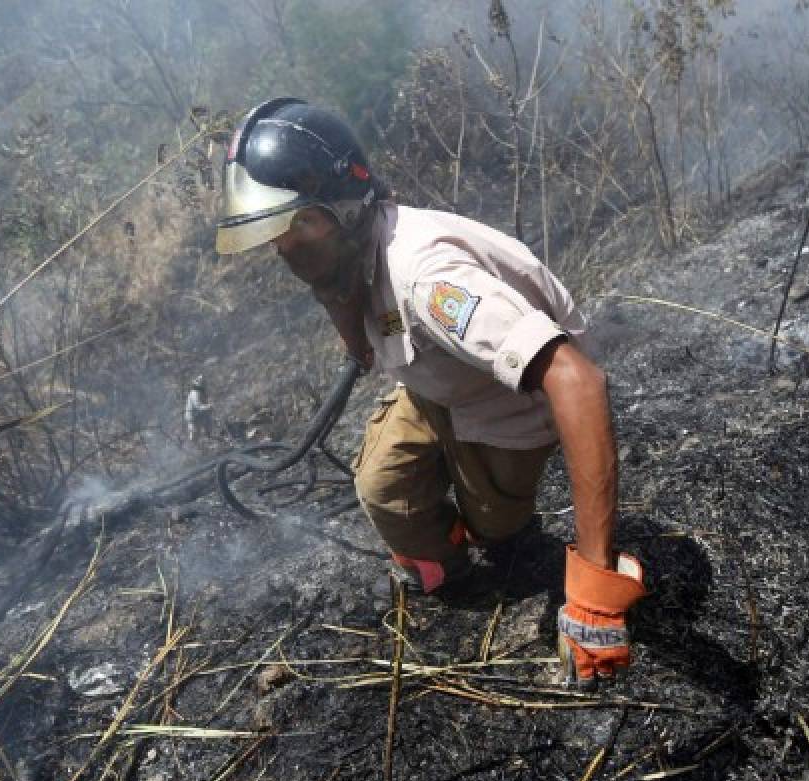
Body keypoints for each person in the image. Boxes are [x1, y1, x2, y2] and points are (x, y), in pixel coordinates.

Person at [213, 97, 645, 688]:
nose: (281, 247)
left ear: (343, 209)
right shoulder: (353, 250)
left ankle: (496, 531)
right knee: (381, 487)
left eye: (296, 226)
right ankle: (443, 561)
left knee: (499, 534)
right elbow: (352, 290)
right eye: (274, 233)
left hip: (506, 407)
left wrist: (597, 585)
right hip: (436, 384)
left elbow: (577, 380)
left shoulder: (429, 281)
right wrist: (342, 306)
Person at [185, 374, 214, 444]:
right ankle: (191, 448)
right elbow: (198, 406)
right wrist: (208, 407)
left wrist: (209, 405)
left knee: (209, 425)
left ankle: (210, 439)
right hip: (193, 417)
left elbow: (206, 401)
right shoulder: (194, 394)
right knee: (195, 434)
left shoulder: (201, 392)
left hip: (200, 415)